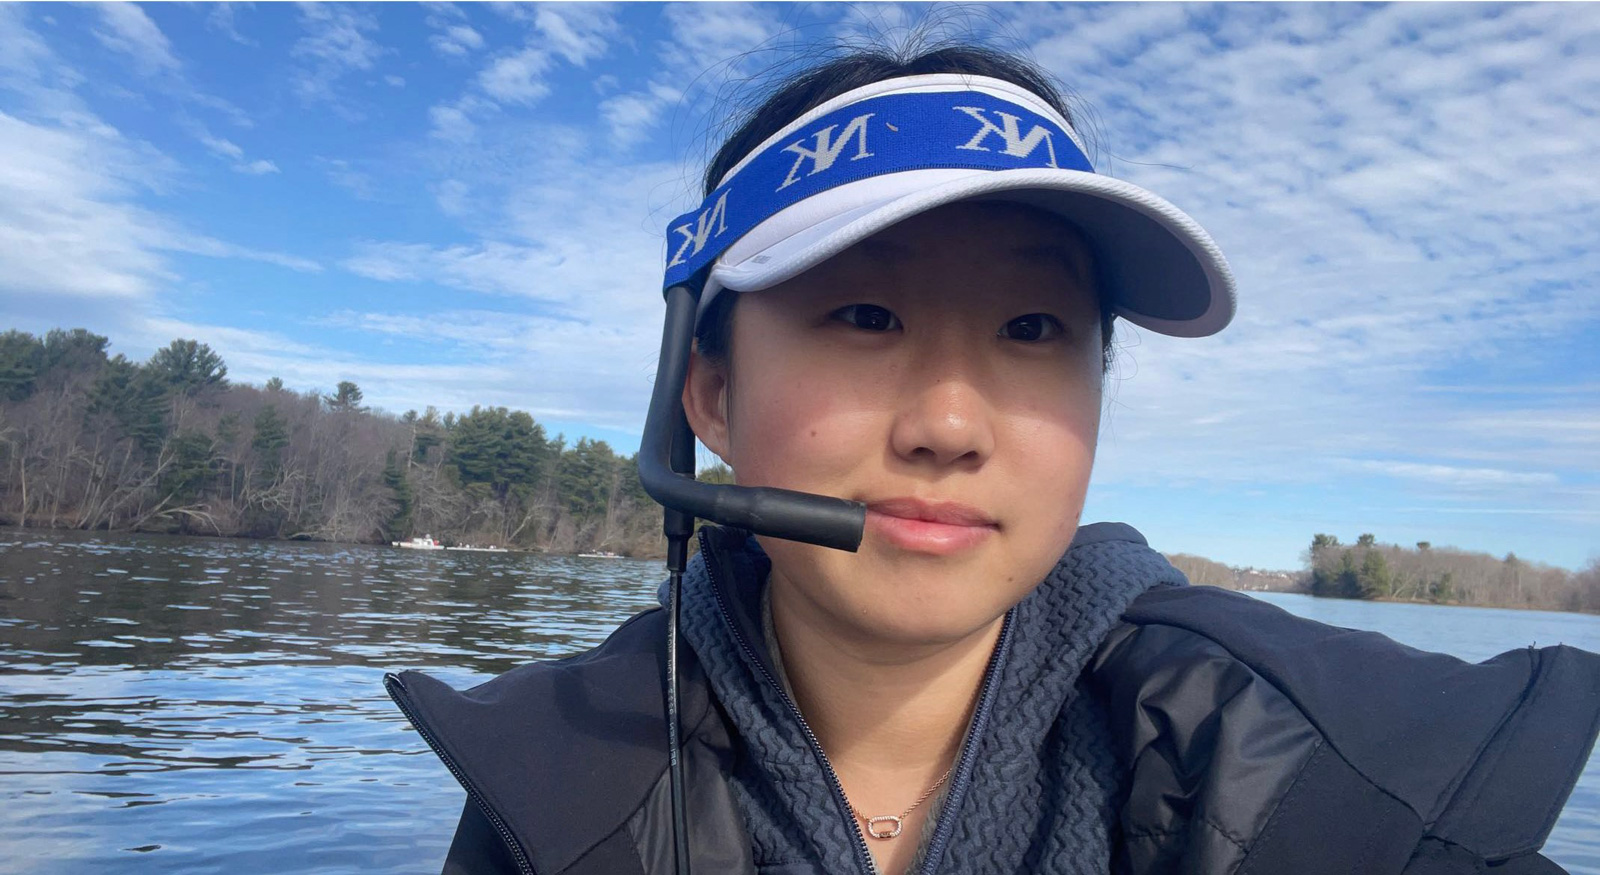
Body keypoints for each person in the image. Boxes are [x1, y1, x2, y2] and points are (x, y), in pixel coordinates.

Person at [386, 44, 1600, 875]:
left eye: (1033, 330)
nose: (950, 424)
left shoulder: (1346, 784)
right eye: (864, 316)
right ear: (705, 391)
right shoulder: (551, 790)